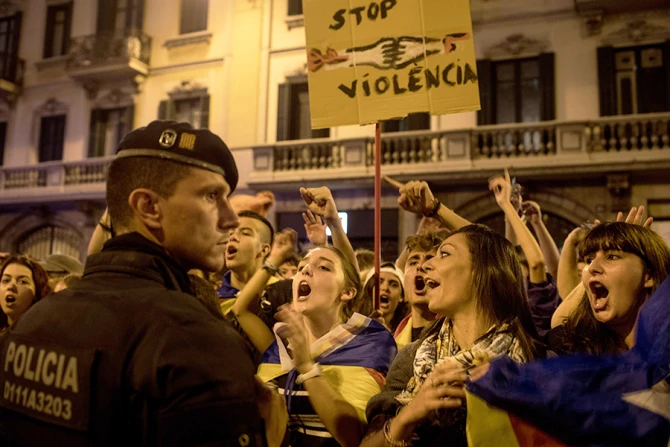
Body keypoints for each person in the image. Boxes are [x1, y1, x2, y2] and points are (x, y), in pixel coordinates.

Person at [0, 121, 285, 446]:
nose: (231, 218)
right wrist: (271, 436)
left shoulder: (31, 324)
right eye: (211, 195)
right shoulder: (193, 339)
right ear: (148, 207)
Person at [362, 224, 545, 447]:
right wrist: (408, 415)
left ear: (483, 269)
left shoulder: (540, 361)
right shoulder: (411, 359)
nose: (426, 266)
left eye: (444, 254)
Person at [258, 245, 397, 447]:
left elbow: (355, 437)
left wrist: (306, 366)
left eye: (324, 267)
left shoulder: (370, 339)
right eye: (301, 267)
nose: (305, 270)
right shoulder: (281, 344)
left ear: (347, 292)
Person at [548, 221, 670, 355]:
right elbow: (559, 323)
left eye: (612, 257)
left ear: (648, 275)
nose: (592, 267)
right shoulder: (587, 352)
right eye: (589, 260)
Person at [393, 231, 446, 350]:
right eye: (413, 262)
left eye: (430, 260)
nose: (420, 266)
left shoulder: (461, 334)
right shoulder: (391, 345)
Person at [218, 210, 278, 314]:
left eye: (245, 233)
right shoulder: (212, 301)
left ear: (263, 250)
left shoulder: (282, 292)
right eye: (230, 233)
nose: (232, 237)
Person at [0, 255, 51, 333]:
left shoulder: (43, 337)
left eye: (23, 282)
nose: (11, 286)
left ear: (36, 291)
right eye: (6, 280)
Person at [360, 262, 409, 332]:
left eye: (394, 285)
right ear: (370, 290)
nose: (385, 288)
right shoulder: (352, 328)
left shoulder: (406, 332)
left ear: (401, 296)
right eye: (379, 282)